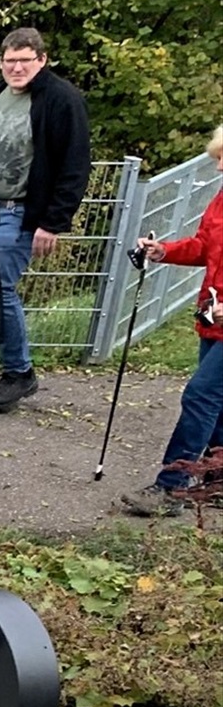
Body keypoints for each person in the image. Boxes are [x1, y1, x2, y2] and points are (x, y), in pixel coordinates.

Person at [0, 28, 92, 414]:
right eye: (9, 60)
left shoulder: (61, 100)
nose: (16, 67)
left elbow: (74, 163)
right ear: (1, 62)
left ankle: (20, 371)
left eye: (25, 60)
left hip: (20, 212)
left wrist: (53, 220)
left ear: (42, 59)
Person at [121, 124, 223, 517]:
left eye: (221, 160)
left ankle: (171, 486)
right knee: (216, 402)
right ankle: (216, 480)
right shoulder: (220, 199)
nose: (217, 169)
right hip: (211, 314)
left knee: (201, 395)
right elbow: (204, 246)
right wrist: (164, 251)